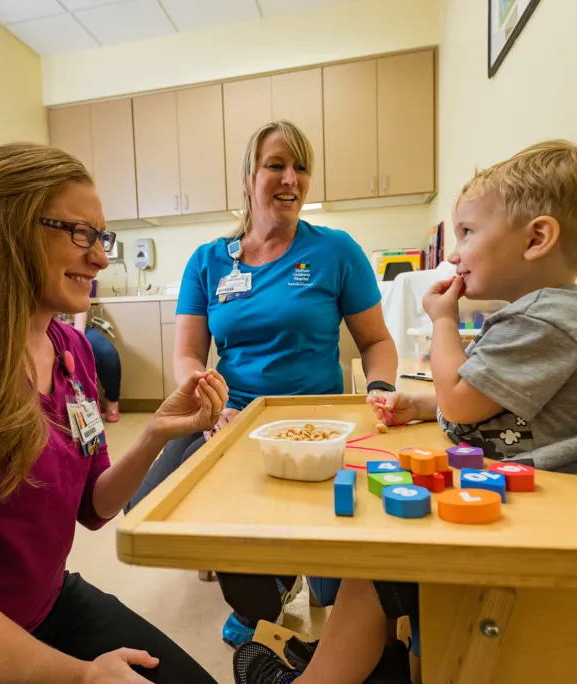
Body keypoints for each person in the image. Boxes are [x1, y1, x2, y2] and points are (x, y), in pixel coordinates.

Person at [233, 139, 577, 683]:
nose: (454, 253)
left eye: (467, 232)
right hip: (526, 498)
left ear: (536, 238)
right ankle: (362, 659)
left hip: (537, 518)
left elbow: (464, 399)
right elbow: (490, 404)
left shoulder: (542, 320)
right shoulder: (538, 315)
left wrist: (444, 320)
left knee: (376, 566)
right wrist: (420, 404)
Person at [0, 141, 229, 684]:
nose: (99, 257)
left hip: (45, 608)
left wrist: (157, 434)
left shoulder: (73, 352)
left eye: (102, 238)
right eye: (81, 234)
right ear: (8, 229)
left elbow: (93, 506)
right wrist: (83, 676)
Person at [127, 120, 398, 646]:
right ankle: (259, 596)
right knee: (146, 508)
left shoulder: (335, 251)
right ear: (249, 176)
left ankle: (284, 571)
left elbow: (376, 342)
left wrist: (380, 389)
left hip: (316, 419)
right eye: (277, 165)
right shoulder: (208, 261)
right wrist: (207, 398)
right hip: (231, 413)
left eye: (301, 168)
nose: (291, 179)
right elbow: (187, 353)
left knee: (335, 588)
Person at [73, 311, 122, 422]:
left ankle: (112, 401)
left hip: (78, 327)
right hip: (51, 328)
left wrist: (77, 337)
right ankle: (87, 406)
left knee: (108, 353)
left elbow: (80, 310)